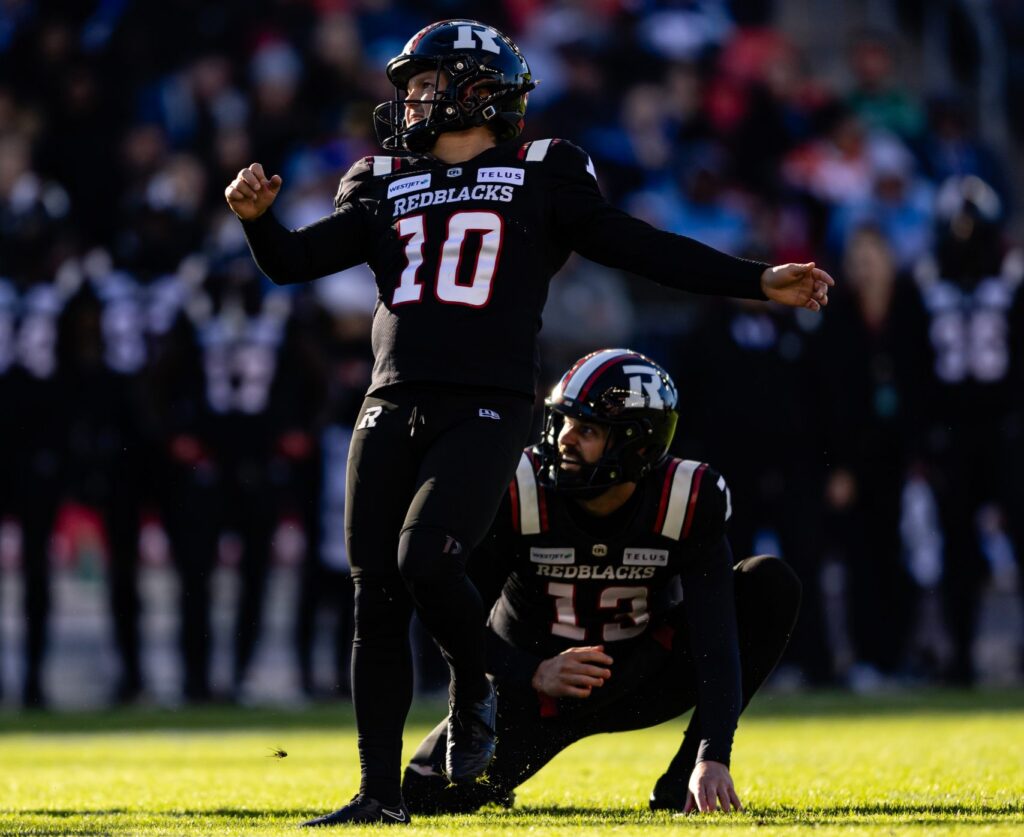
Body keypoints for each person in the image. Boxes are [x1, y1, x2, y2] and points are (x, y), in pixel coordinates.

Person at [224, 19, 832, 826]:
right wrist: (258, 221)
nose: (411, 99)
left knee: (425, 558)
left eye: (428, 83)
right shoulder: (379, 178)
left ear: (479, 92)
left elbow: (635, 245)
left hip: (487, 399)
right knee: (377, 596)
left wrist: (754, 280)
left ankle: (477, 679)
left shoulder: (542, 169)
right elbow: (293, 261)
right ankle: (378, 795)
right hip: (391, 396)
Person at [402, 349, 802, 814]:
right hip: (534, 692)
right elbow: (453, 617)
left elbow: (717, 635)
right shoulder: (519, 486)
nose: (564, 439)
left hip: (638, 676)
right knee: (427, 794)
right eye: (563, 422)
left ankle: (682, 782)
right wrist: (530, 670)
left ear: (638, 447)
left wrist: (713, 754)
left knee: (769, 584)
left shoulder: (685, 499)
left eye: (587, 429)